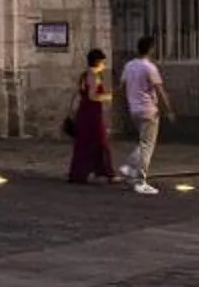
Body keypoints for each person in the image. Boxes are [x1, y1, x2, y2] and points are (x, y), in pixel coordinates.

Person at [121, 35, 170, 194]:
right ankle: (140, 180)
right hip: (148, 109)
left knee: (143, 142)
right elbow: (159, 90)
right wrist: (168, 109)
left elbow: (122, 85)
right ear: (150, 49)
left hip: (134, 109)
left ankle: (129, 167)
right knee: (147, 146)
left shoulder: (129, 65)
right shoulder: (149, 67)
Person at [66, 49, 120, 185]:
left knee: (84, 144)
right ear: (97, 62)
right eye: (102, 62)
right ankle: (107, 173)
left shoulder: (85, 75)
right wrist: (108, 96)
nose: (104, 65)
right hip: (92, 114)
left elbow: (78, 93)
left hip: (84, 113)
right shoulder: (93, 75)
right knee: (100, 142)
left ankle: (80, 173)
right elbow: (93, 96)